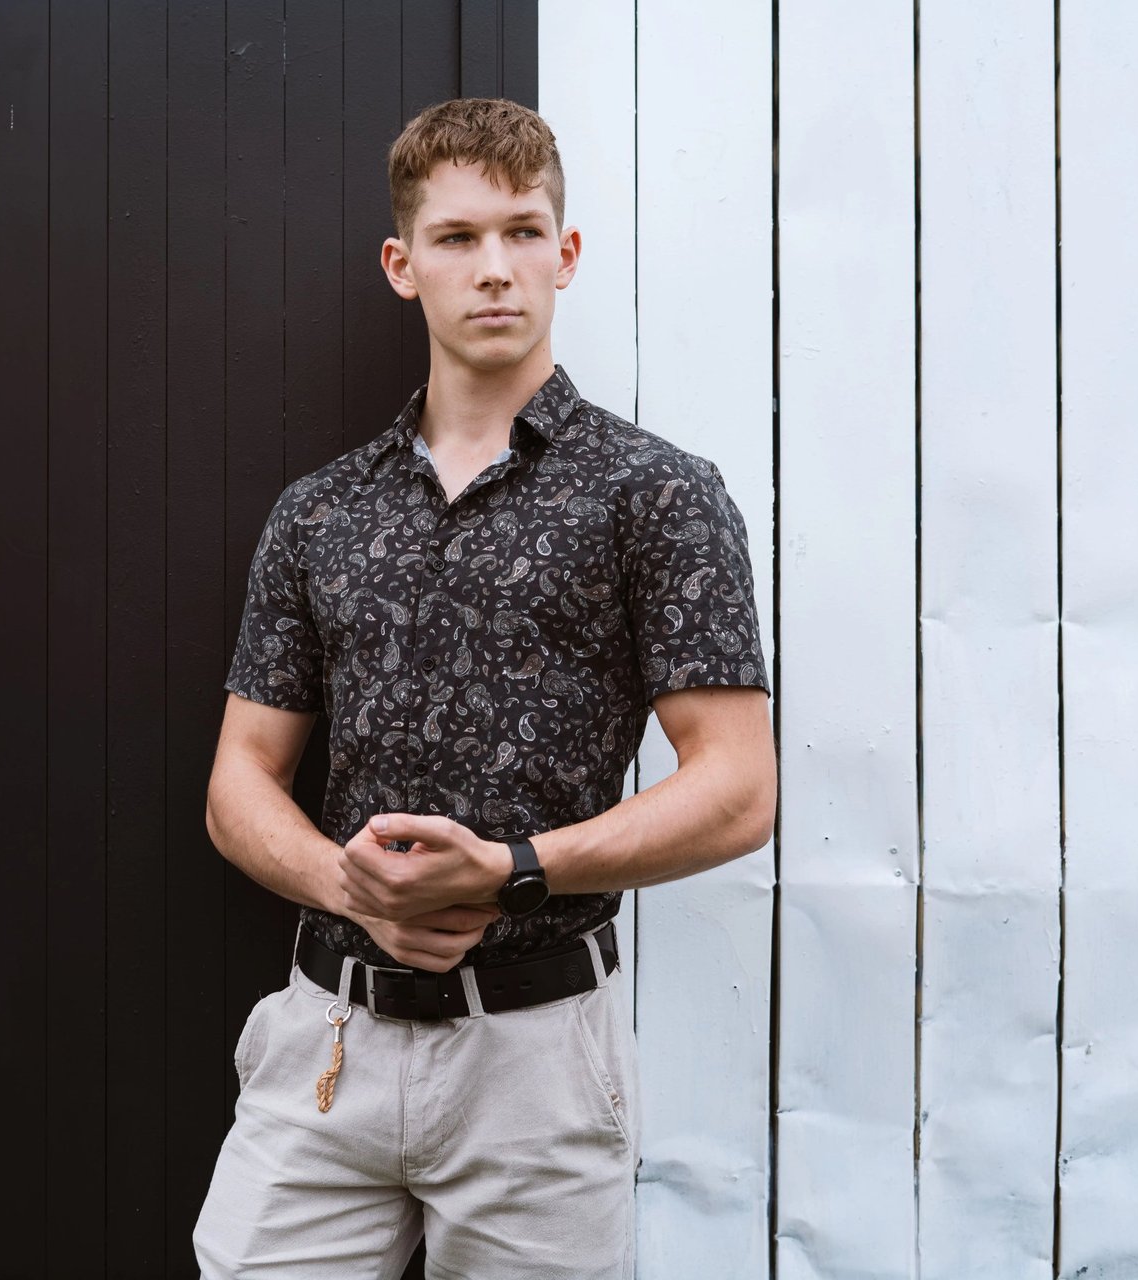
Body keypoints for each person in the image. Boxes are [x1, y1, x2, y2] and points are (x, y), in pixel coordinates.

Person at [194, 96, 777, 1279]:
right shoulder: (320, 512)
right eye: (459, 239)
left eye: (522, 232)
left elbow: (737, 787)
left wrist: (515, 870)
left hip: (535, 1060)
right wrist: (349, 884)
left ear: (565, 253)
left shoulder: (657, 495)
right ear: (403, 267)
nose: (495, 268)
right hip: (330, 1040)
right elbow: (237, 783)